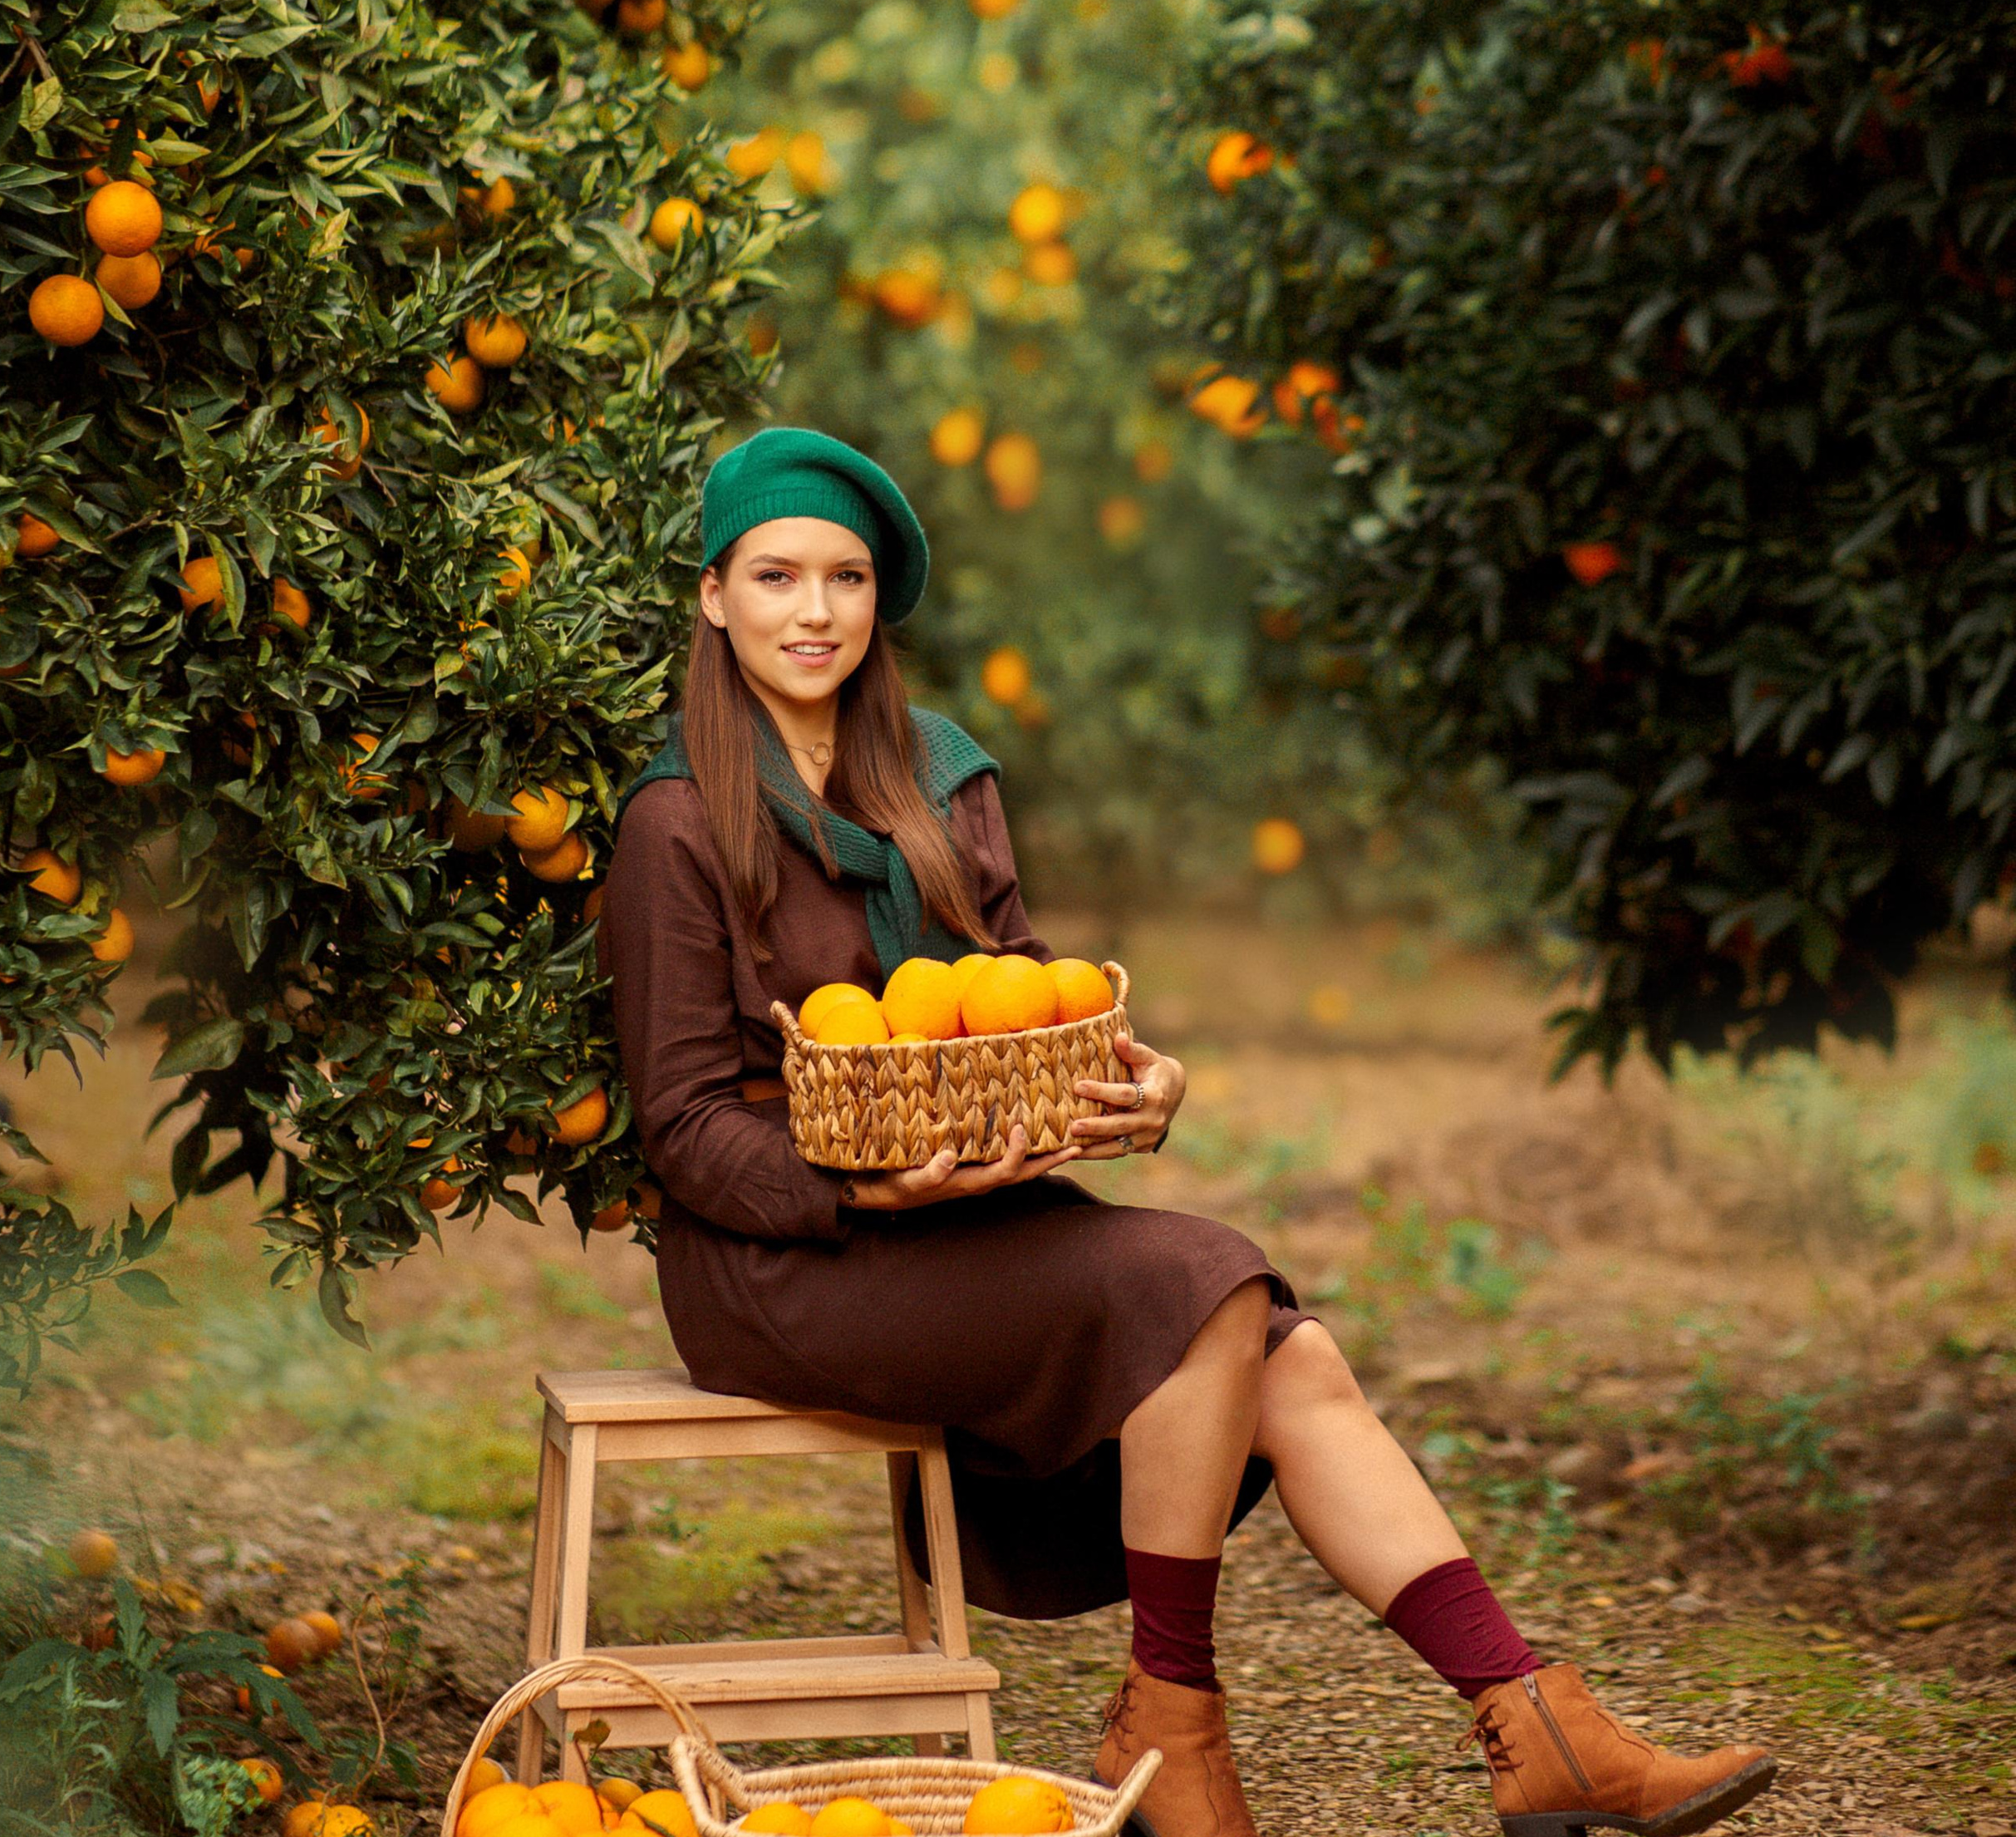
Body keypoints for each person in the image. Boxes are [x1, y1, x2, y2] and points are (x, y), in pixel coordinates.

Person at [596, 427, 1778, 1837]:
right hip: (784, 1258)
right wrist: (867, 1196)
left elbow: (1025, 999)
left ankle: (1530, 1723)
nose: (814, 611)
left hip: (966, 1215)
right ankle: (1173, 1723)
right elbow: (679, 1127)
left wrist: (1138, 1090)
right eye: (775, 576)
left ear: (878, 602)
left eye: (844, 579)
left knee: (1295, 1355)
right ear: (716, 598)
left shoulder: (940, 782)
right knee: (1206, 1281)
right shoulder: (676, 822)